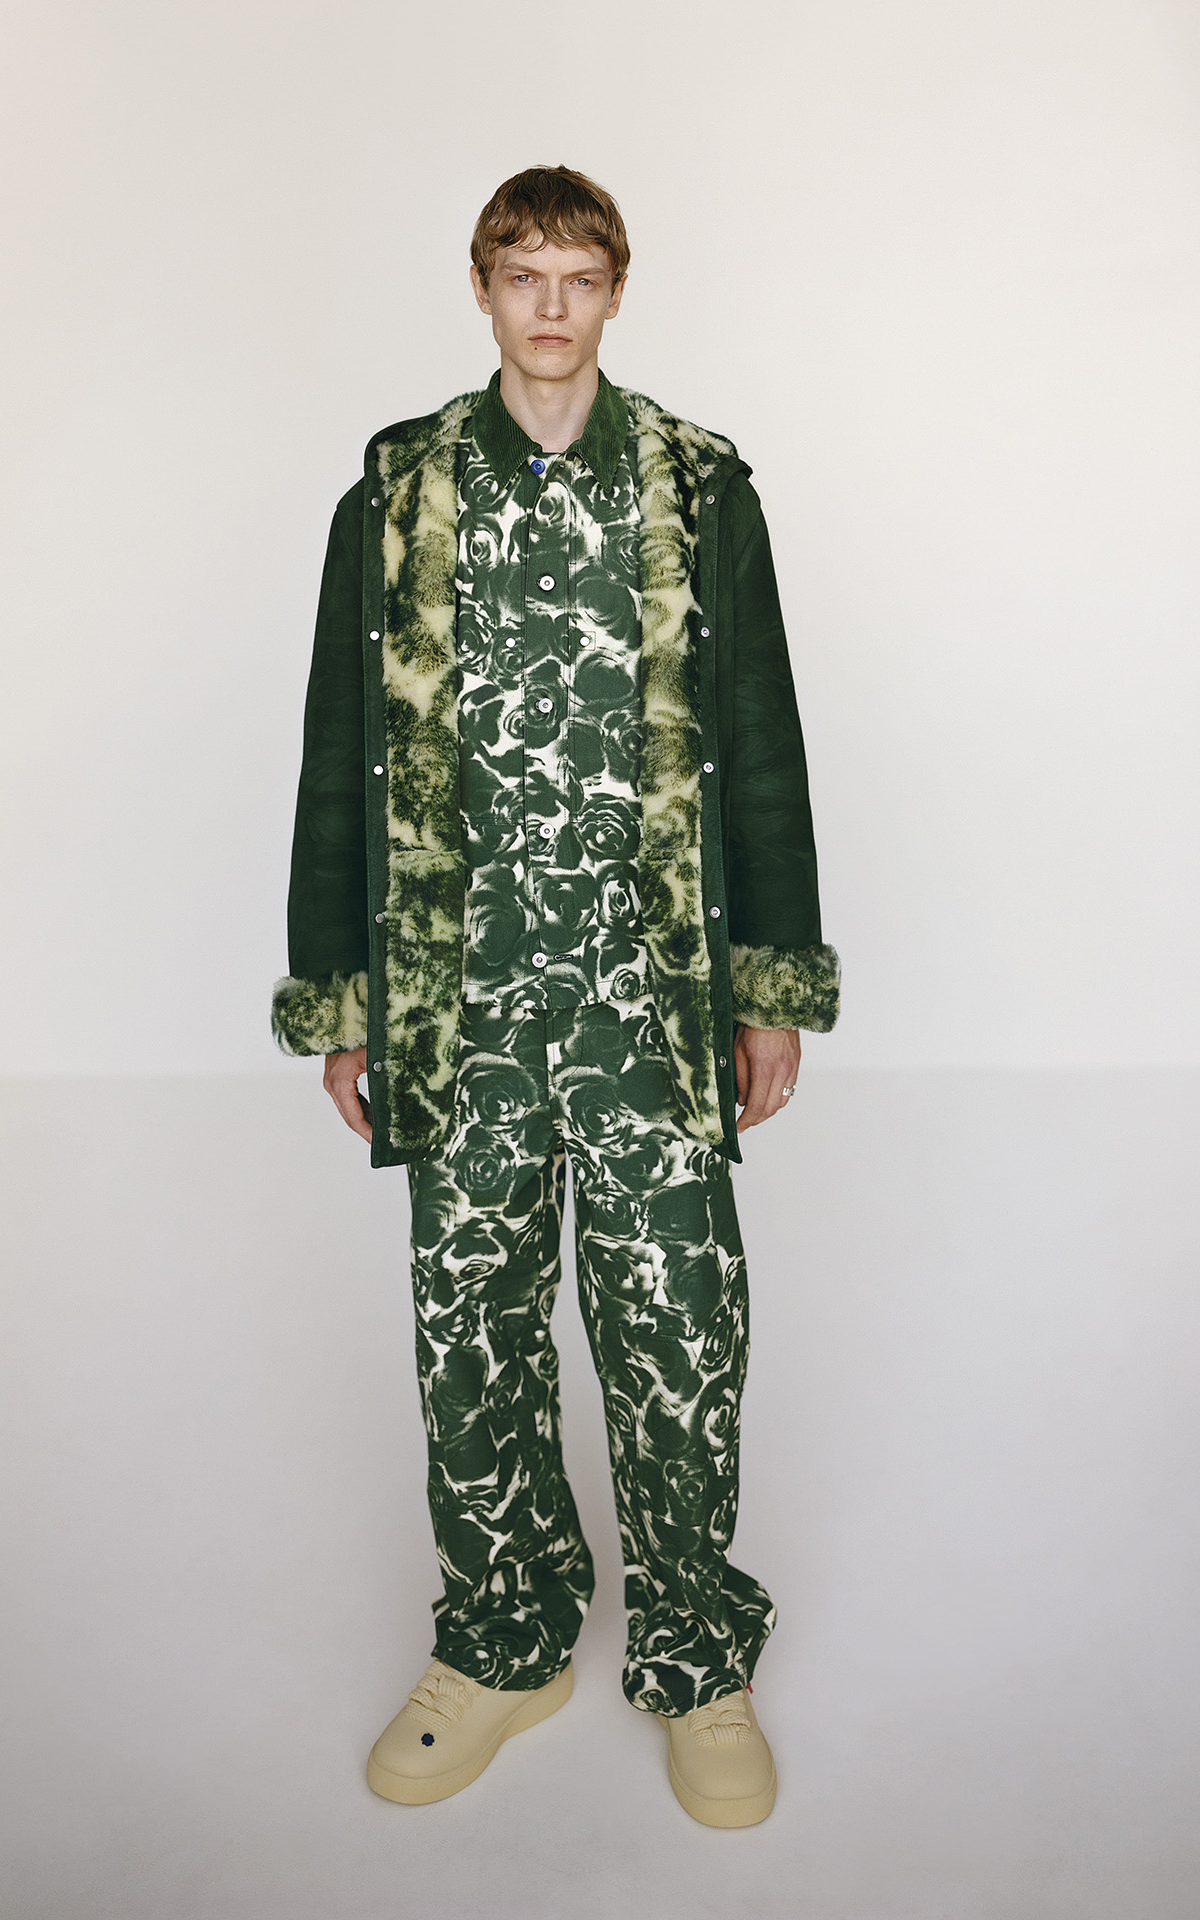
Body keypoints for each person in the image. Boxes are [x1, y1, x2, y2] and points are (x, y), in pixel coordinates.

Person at [272, 164, 839, 1829]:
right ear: (481, 287)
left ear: (614, 292)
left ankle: (695, 1653)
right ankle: (507, 1635)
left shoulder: (699, 489)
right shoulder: (396, 494)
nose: (550, 305)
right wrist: (343, 996)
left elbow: (766, 741)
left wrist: (771, 984)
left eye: (578, 276)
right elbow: (336, 756)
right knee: (473, 1328)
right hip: (463, 1002)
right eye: (522, 273)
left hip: (651, 996)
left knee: (680, 1330)